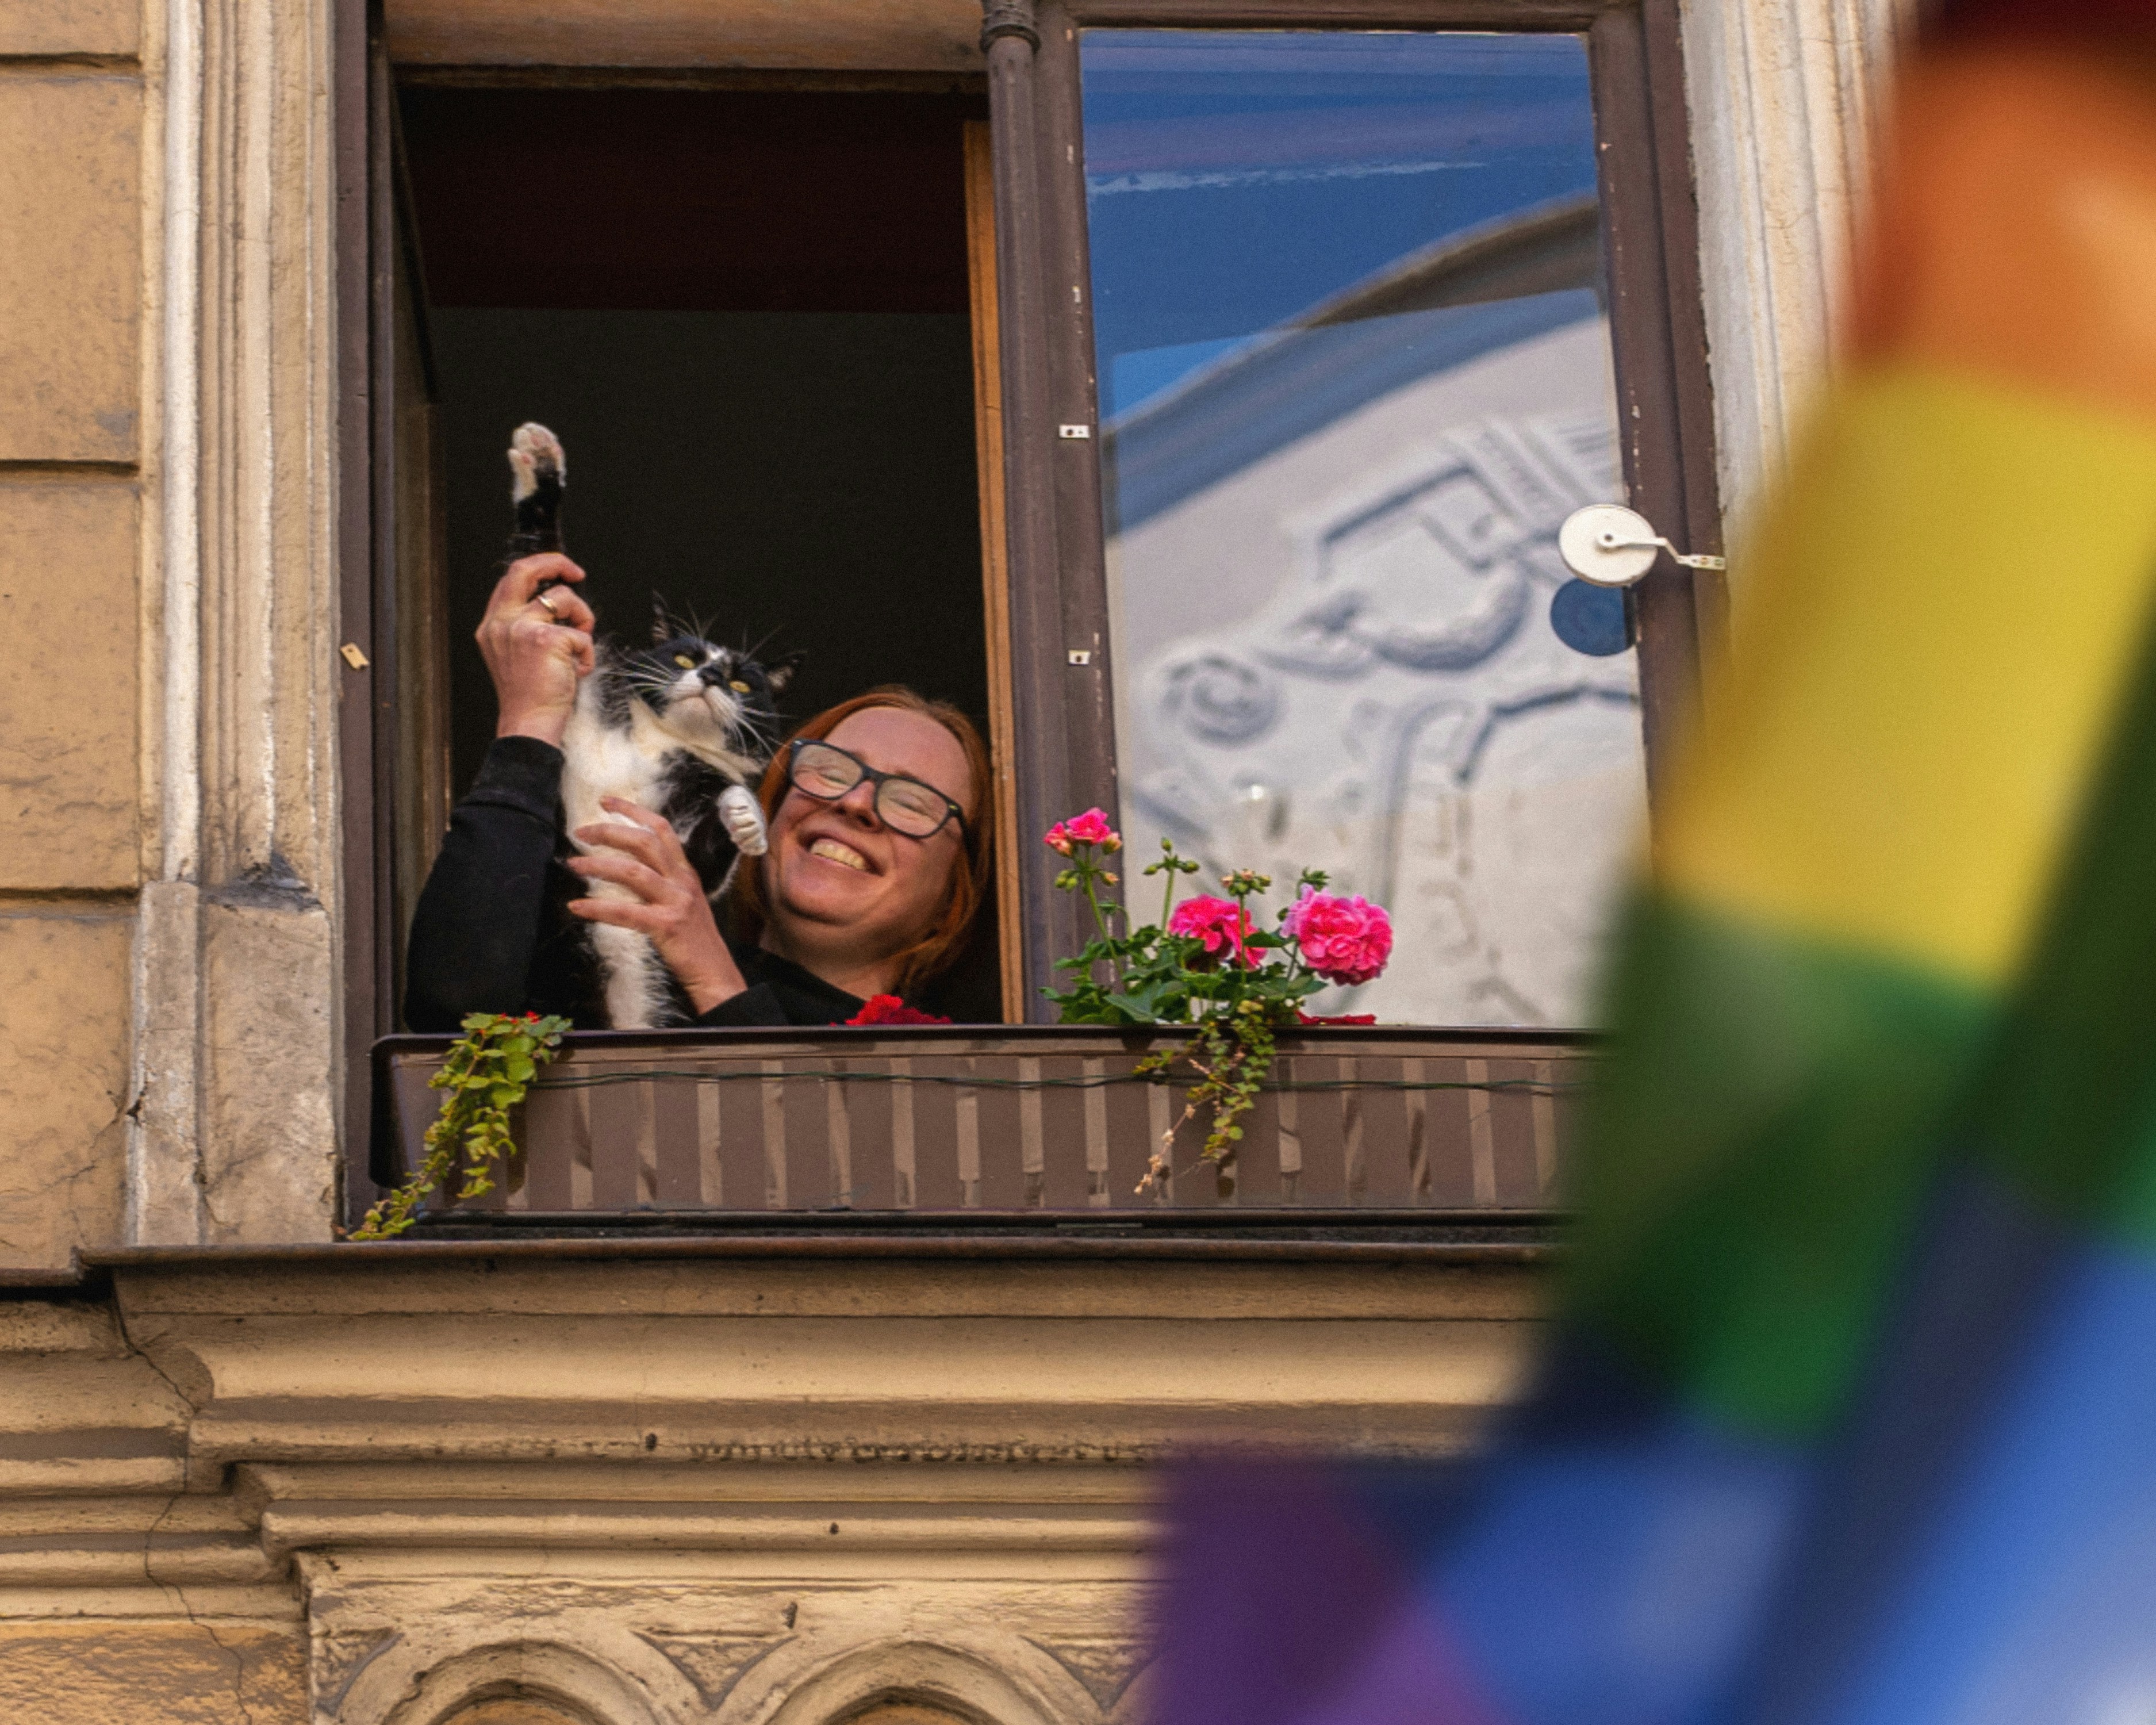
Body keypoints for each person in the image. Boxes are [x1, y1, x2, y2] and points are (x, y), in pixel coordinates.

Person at [403, 551, 994, 1031]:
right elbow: (452, 1011)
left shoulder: (945, 1077)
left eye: (911, 802)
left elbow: (817, 1165)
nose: (855, 802)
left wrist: (714, 981)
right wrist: (530, 724)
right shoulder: (635, 958)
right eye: (831, 771)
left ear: (952, 899)